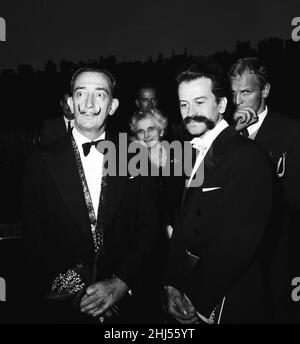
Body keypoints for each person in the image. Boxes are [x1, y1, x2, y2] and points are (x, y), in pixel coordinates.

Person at [22, 68, 161, 324]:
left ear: (113, 106)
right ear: (70, 102)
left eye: (100, 94)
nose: (89, 104)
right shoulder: (39, 162)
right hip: (64, 308)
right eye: (80, 94)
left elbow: (150, 226)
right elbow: (35, 235)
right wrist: (78, 295)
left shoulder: (136, 156)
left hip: (128, 307)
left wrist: (121, 283)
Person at [164, 60, 273, 324]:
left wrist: (196, 299)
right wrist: (172, 284)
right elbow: (180, 225)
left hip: (226, 299)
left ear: (222, 105)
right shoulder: (188, 152)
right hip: (187, 291)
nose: (190, 112)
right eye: (184, 104)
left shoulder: (248, 155)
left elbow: (237, 244)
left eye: (200, 102)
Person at [229, 57, 300, 323]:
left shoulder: (292, 131)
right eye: (234, 93)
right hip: (234, 267)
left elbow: (294, 200)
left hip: (279, 263)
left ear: (265, 91)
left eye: (246, 92)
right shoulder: (224, 133)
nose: (238, 101)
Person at [129, 108, 185, 238]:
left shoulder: (179, 155)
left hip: (180, 227)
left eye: (151, 129)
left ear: (162, 131)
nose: (146, 135)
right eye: (140, 131)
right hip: (150, 233)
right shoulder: (132, 163)